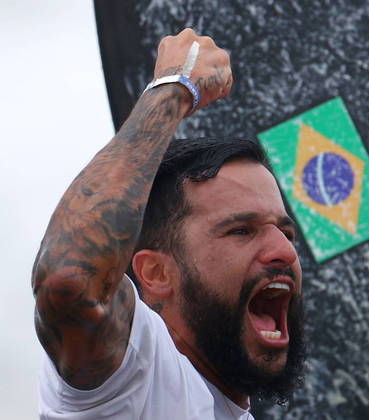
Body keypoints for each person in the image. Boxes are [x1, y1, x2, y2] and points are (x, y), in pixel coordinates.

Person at [32, 28, 305, 419]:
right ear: (156, 272)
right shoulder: (138, 378)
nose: (284, 251)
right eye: (241, 230)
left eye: (286, 232)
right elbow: (71, 280)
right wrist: (173, 88)